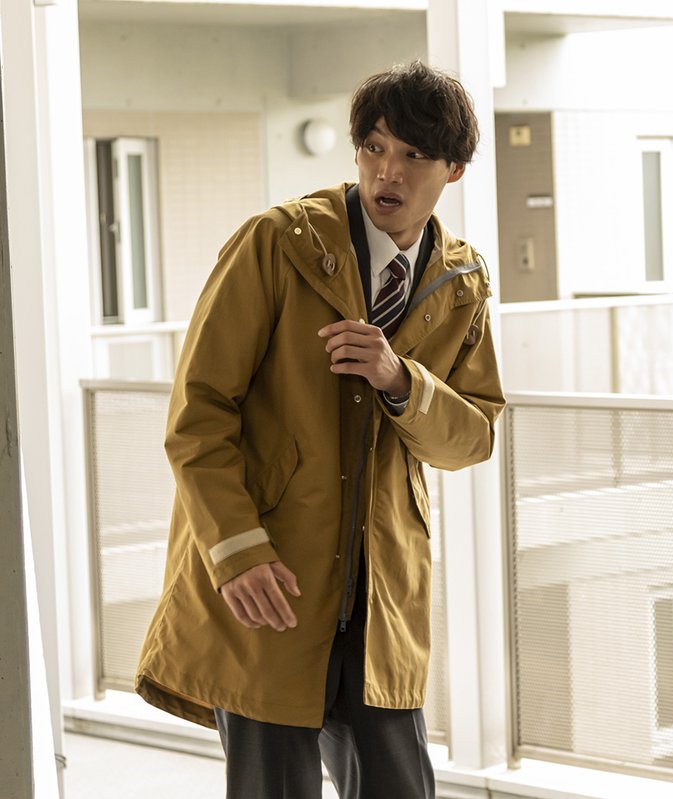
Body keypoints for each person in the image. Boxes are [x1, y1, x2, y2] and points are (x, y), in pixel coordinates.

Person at [136, 61, 505, 799]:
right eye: (373, 147)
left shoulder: (461, 282)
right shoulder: (277, 243)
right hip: (271, 580)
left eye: (414, 154)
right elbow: (199, 413)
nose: (388, 172)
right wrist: (237, 551)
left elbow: (473, 436)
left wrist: (402, 381)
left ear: (454, 169)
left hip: (379, 593)